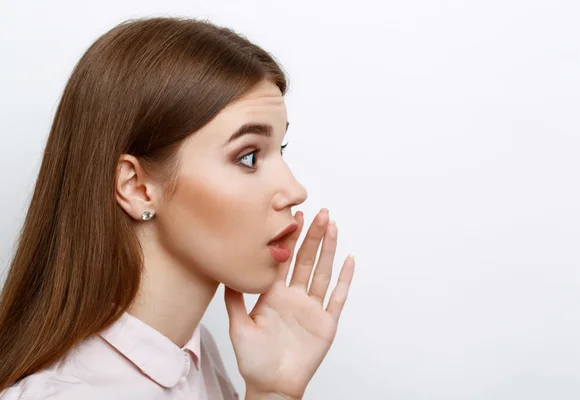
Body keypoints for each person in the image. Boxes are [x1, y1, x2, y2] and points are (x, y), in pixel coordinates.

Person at [0, 16, 355, 400]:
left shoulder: (196, 361)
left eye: (280, 150)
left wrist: (273, 392)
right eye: (249, 156)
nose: (294, 190)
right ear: (136, 187)